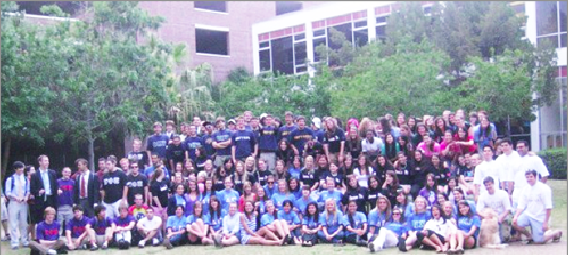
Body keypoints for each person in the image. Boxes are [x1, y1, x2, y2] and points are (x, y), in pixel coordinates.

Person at [513, 170, 562, 244]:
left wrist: (545, 222)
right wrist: (516, 216)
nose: (529, 179)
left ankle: (555, 233)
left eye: (531, 177)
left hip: (540, 217)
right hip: (528, 215)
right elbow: (521, 205)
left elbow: (548, 207)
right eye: (527, 177)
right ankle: (529, 235)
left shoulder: (544, 189)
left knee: (538, 241)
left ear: (535, 177)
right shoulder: (525, 189)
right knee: (515, 223)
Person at [476, 176, 511, 242]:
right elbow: (478, 211)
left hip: (502, 219)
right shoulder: (482, 196)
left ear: (493, 184)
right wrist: (485, 216)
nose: (488, 187)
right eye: (486, 185)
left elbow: (508, 210)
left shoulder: (503, 194)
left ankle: (508, 232)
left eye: (489, 184)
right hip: (489, 219)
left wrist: (501, 217)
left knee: (502, 240)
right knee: (489, 239)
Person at [5, 161, 30, 250]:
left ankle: (25, 241)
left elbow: (28, 190)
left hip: (23, 203)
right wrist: (15, 197)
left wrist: (26, 197)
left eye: (22, 168)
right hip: (14, 203)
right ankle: (15, 242)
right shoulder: (10, 179)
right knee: (14, 223)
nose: (21, 170)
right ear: (15, 169)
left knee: (24, 223)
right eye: (20, 169)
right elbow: (8, 192)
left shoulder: (26, 179)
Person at [30, 155, 58, 230]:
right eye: (45, 161)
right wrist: (38, 192)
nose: (47, 162)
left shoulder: (52, 173)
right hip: (40, 199)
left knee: (51, 216)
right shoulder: (35, 175)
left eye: (48, 161)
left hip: (51, 198)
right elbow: (32, 189)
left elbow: (55, 185)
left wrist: (57, 191)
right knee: (40, 217)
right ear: (40, 162)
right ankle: (41, 235)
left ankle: (51, 234)